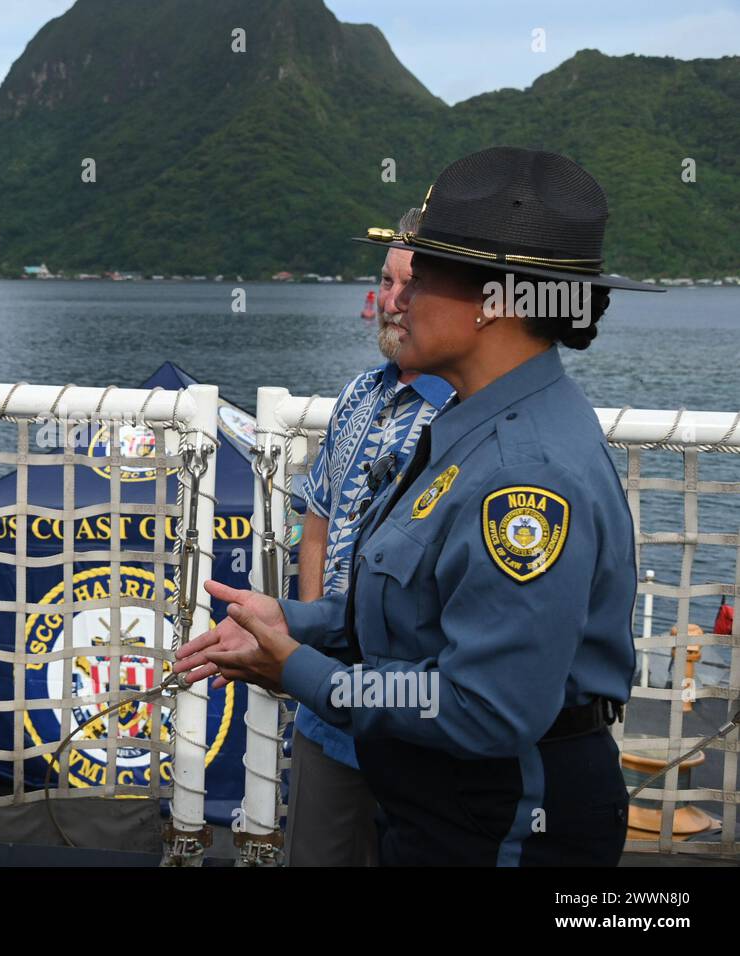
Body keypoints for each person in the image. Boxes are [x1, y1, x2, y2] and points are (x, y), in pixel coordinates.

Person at [178, 146, 663, 866]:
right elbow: (429, 609)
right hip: (449, 809)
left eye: (425, 276)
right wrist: (301, 621)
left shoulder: (522, 475)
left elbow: (485, 705)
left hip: (505, 820)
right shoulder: (480, 425)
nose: (396, 299)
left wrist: (299, 670)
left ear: (494, 303)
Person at [289, 207, 452, 867]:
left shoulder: (469, 409)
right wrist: (309, 639)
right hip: (327, 709)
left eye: (410, 287)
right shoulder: (359, 395)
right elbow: (318, 521)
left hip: (418, 711)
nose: (392, 302)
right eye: (386, 283)